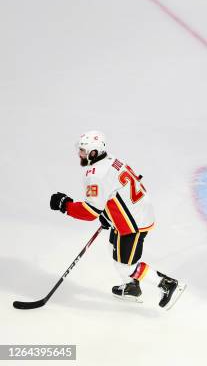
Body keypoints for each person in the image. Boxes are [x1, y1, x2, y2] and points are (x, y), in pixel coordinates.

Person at [49, 130, 186, 310]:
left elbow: (90, 211)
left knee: (126, 265)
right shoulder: (110, 160)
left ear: (94, 152)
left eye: (83, 151)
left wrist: (65, 205)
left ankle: (168, 284)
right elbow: (114, 191)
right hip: (134, 214)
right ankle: (132, 287)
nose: (79, 154)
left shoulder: (94, 174)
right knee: (114, 248)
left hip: (132, 224)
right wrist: (108, 214)